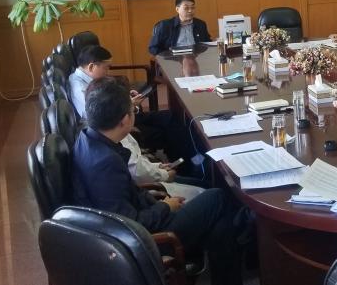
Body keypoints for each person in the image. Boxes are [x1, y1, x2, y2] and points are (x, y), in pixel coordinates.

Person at [71, 78, 243, 285]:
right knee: (217, 197)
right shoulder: (106, 163)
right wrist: (165, 206)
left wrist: (153, 199)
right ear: (125, 120)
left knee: (219, 222)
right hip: (143, 242)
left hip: (136, 221)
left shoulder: (87, 138)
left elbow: (125, 198)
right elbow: (131, 224)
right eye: (133, 110)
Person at [70, 45, 199, 178]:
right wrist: (128, 104)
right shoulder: (78, 88)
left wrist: (123, 95)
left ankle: (184, 164)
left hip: (119, 116)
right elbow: (100, 114)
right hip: (114, 122)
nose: (108, 72)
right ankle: (185, 169)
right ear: (91, 67)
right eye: (106, 68)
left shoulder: (85, 79)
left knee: (170, 117)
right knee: (167, 130)